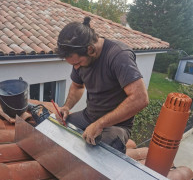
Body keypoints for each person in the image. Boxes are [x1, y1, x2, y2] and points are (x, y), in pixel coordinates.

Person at [55, 17, 149, 153]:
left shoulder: (118, 55)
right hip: (88, 117)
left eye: (78, 63)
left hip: (116, 126)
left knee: (97, 154)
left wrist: (100, 124)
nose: (76, 68)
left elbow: (140, 99)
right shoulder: (80, 57)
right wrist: (66, 106)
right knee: (58, 129)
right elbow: (77, 86)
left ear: (91, 49)